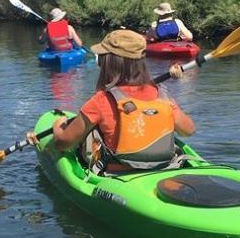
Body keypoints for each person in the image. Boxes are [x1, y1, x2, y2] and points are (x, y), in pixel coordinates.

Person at [27, 30, 195, 173]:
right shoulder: (163, 97)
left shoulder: (100, 101)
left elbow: (63, 143)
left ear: (108, 63)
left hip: (118, 175)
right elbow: (188, 130)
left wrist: (59, 126)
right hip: (164, 169)